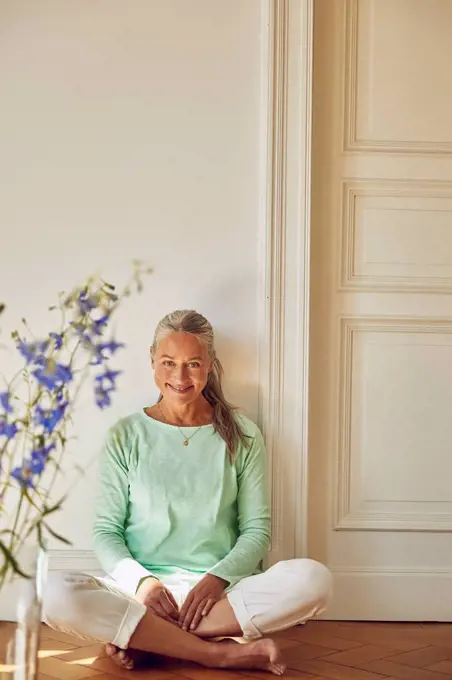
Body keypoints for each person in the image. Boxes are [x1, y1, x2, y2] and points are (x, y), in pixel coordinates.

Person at [43, 310, 332, 676]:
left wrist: (216, 580)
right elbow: (106, 531)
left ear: (209, 364)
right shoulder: (125, 435)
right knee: (53, 593)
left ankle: (148, 639)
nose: (179, 377)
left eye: (192, 363)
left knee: (315, 580)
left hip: (219, 597)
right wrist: (143, 584)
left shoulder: (242, 434)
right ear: (152, 361)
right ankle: (215, 653)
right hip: (142, 596)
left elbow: (257, 530)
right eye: (168, 363)